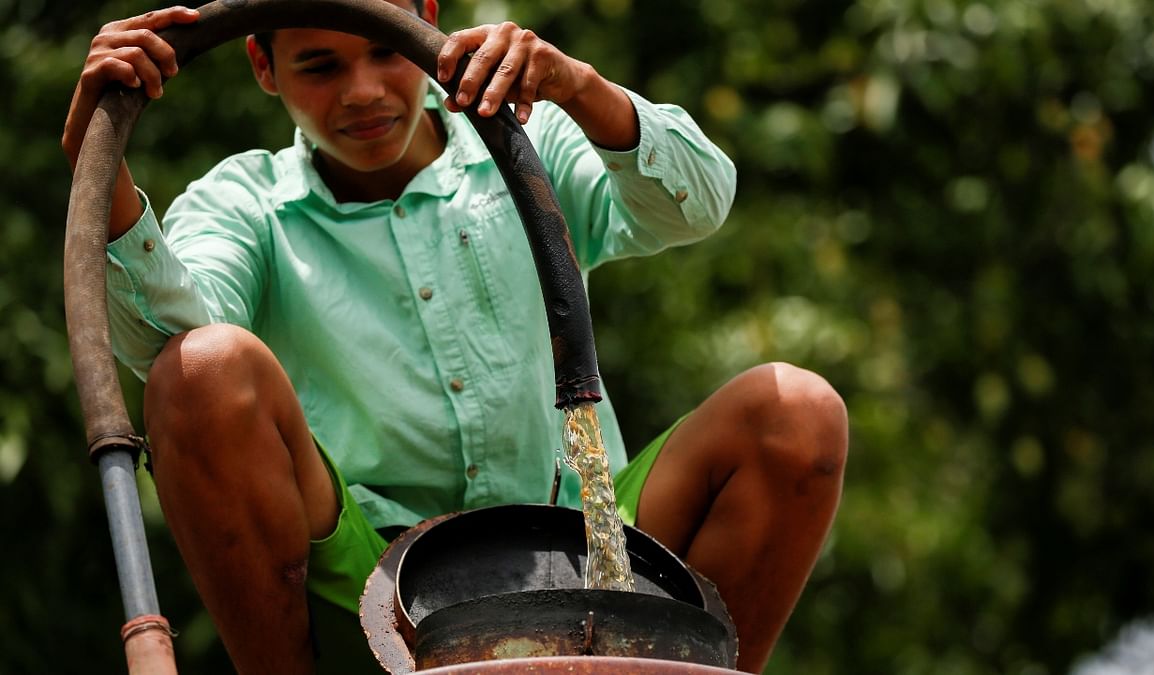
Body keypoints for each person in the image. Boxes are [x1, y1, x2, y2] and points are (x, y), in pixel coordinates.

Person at [63, 1, 848, 672]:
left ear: (425, 24)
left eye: (384, 49)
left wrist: (577, 84)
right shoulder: (250, 205)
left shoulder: (522, 137)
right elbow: (170, 361)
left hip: (595, 550)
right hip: (373, 581)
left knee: (798, 412)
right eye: (320, 67)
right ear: (263, 68)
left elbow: (701, 200)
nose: (364, 92)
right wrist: (106, 174)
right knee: (204, 368)